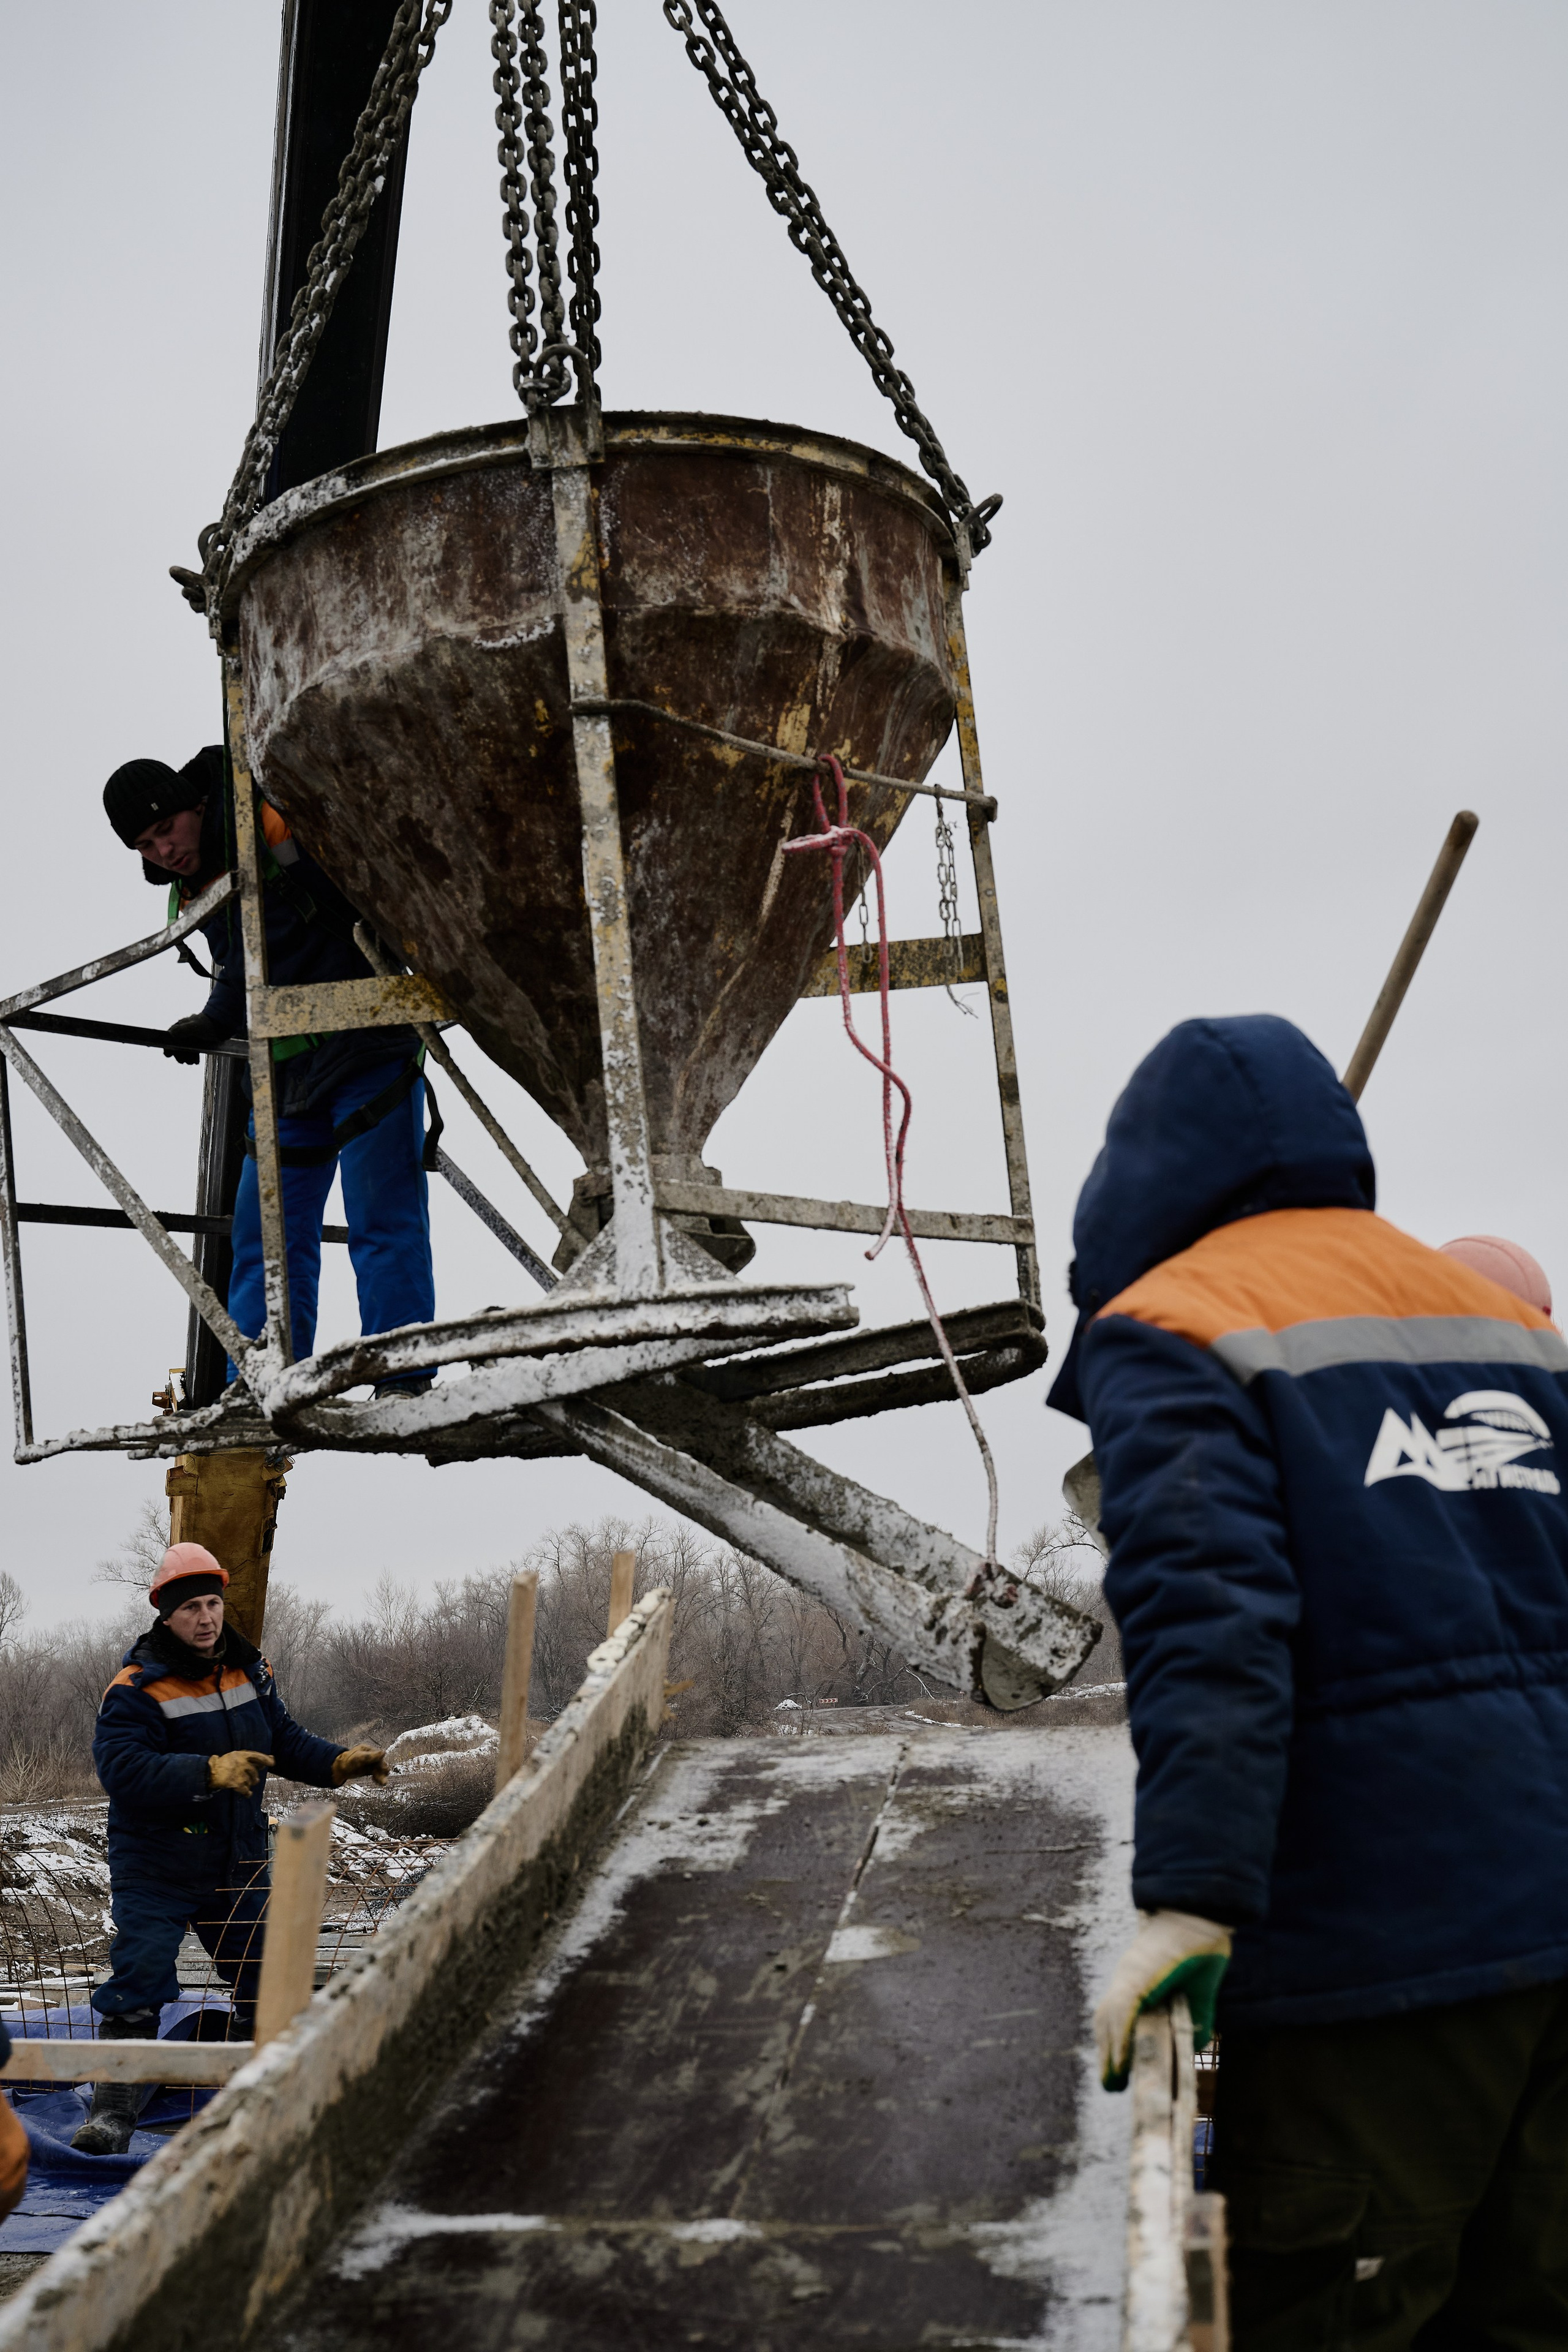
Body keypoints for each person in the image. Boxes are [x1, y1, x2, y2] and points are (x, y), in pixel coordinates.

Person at [1052, 1015, 1568, 2345]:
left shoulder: (1176, 1323)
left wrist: (1190, 1902)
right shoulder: (1504, 1323)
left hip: (1374, 1972)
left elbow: (1210, 1620)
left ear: (1139, 1185)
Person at [102, 744, 435, 1395]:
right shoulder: (194, 889)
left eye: (166, 829)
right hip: (284, 1074)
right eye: (145, 845)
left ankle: (400, 1375)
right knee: (267, 1240)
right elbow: (244, 963)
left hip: (367, 1040)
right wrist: (213, 1018)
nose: (163, 851)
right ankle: (259, 1386)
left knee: (382, 1215)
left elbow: (335, 910)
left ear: (195, 806)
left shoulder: (272, 820)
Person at [75, 1542, 388, 2156]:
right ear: (167, 1616)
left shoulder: (249, 1670)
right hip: (156, 1863)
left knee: (266, 1976)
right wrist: (208, 1772)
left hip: (237, 1857)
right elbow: (123, 1770)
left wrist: (338, 1762)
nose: (206, 1617)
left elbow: (283, 1740)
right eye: (191, 1607)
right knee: (141, 1973)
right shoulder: (137, 1688)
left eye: (212, 1604)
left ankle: (258, 2100)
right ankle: (114, 2114)